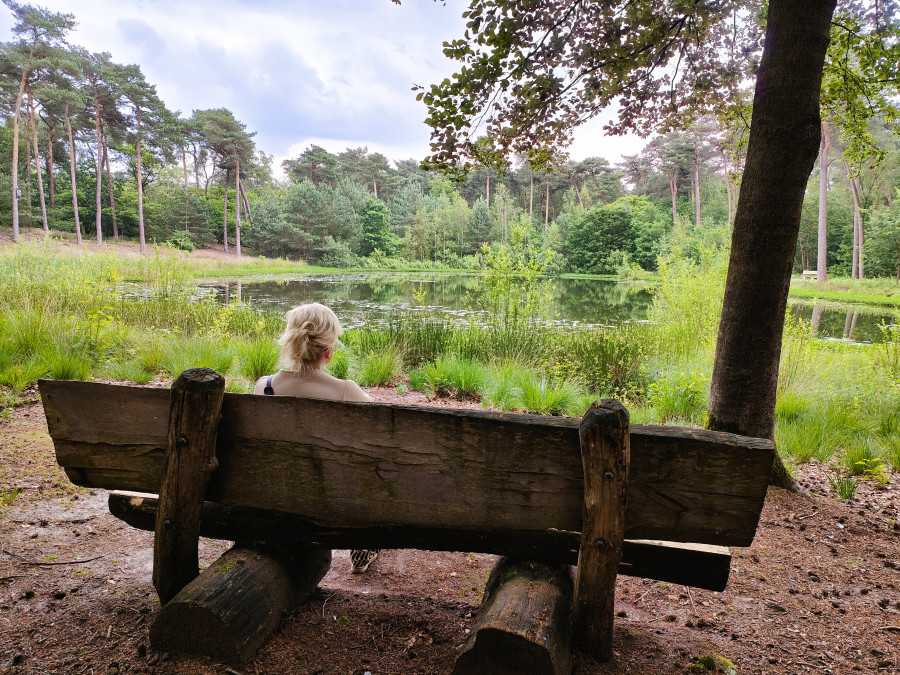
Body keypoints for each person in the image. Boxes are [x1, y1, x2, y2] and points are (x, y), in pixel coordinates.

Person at [254, 302, 380, 574]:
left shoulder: (263, 387)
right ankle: (363, 539)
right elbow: (382, 433)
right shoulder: (346, 390)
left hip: (278, 497)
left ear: (290, 342)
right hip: (333, 501)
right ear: (329, 351)